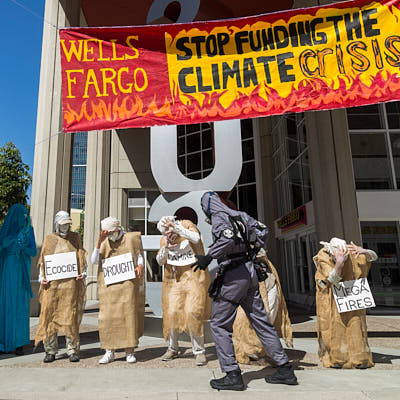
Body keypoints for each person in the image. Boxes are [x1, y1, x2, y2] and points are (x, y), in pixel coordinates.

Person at [192, 191, 297, 390]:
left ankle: (232, 374)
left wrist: (209, 256)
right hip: (250, 273)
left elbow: (228, 238)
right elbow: (263, 230)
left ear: (207, 206)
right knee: (261, 322)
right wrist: (254, 247)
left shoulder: (219, 217)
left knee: (219, 324)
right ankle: (285, 368)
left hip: (232, 275)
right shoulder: (241, 215)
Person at [314, 237, 377, 369]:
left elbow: (373, 256)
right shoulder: (324, 255)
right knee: (335, 325)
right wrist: (339, 263)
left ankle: (358, 357)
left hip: (350, 295)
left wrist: (364, 251)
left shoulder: (352, 252)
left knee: (355, 324)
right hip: (330, 297)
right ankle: (337, 358)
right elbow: (332, 279)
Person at [156, 213, 210, 366]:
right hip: (175, 280)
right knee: (172, 312)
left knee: (193, 312)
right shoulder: (164, 240)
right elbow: (160, 261)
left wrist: (177, 229)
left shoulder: (185, 226)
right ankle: (173, 348)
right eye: (165, 231)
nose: (168, 232)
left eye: (168, 229)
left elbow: (196, 238)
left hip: (193, 277)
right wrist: (166, 247)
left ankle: (199, 351)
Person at [35, 211, 86, 363]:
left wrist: (82, 273)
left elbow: (80, 256)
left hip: (70, 285)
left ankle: (72, 349)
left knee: (71, 316)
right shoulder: (50, 239)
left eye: (67, 224)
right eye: (63, 224)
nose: (65, 227)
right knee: (50, 316)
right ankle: (50, 350)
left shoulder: (75, 238)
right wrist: (42, 278)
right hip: (52, 286)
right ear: (57, 224)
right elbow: (43, 261)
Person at [92, 217, 145, 364]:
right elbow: (94, 260)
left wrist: (140, 266)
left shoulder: (131, 238)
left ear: (117, 229)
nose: (109, 236)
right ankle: (110, 351)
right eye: (106, 233)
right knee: (108, 317)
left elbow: (139, 255)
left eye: (111, 232)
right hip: (109, 286)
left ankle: (130, 350)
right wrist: (99, 241)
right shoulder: (104, 242)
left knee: (128, 315)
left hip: (127, 284)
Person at [233, 249, 293, 364]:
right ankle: (253, 349)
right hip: (250, 287)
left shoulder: (253, 246)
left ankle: (272, 355)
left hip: (267, 286)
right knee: (243, 320)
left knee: (266, 319)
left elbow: (261, 254)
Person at [0, 204, 36, 356]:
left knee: (20, 306)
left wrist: (23, 249)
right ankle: (3, 342)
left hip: (21, 271)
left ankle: (19, 343)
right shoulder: (5, 231)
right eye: (22, 215)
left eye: (26, 215)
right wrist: (6, 245)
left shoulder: (29, 231)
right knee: (6, 305)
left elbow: (33, 251)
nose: (25, 217)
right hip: (7, 272)